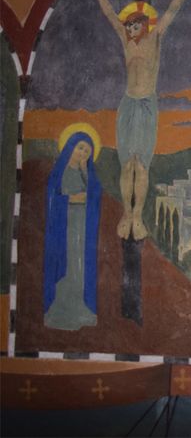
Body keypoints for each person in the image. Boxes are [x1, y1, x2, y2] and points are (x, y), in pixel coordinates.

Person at [84, 0, 191, 240]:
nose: (130, 29)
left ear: (144, 24)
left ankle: (138, 217)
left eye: (134, 25)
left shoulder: (155, 37)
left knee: (142, 165)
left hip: (147, 104)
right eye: (128, 26)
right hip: (128, 104)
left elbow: (172, 10)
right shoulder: (127, 42)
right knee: (127, 164)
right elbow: (110, 15)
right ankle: (127, 213)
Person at [43, 123, 102, 331]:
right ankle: (61, 311)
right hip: (65, 225)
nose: (83, 153)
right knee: (67, 265)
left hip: (82, 226)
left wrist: (85, 171)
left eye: (87, 151)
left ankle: (80, 309)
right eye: (80, 148)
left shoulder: (87, 172)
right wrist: (71, 199)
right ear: (70, 147)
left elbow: (95, 193)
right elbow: (52, 198)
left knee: (79, 266)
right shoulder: (60, 172)